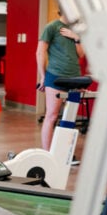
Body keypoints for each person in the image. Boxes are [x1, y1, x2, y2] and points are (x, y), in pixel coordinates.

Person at [36, 10, 85, 151]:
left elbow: (80, 54)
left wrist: (76, 37)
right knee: (52, 115)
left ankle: (64, 152)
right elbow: (40, 52)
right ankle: (48, 153)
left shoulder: (77, 29)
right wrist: (43, 76)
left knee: (69, 118)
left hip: (74, 77)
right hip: (55, 76)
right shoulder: (51, 27)